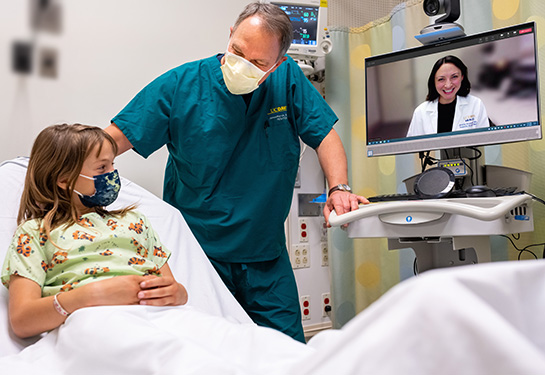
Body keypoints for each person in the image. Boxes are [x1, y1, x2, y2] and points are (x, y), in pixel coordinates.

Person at [105, 1, 367, 342]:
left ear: (277, 65)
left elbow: (326, 136)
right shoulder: (182, 85)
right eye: (237, 51)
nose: (243, 65)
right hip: (198, 256)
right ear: (230, 35)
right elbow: (109, 142)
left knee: (287, 352)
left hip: (265, 258)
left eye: (258, 63)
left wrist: (339, 188)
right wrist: (64, 165)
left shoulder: (286, 81)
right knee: (206, 351)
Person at [1, 124, 188, 339]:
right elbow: (23, 320)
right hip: (94, 324)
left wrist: (179, 294)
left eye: (112, 165)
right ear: (64, 179)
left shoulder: (135, 222)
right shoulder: (35, 233)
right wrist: (88, 296)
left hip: (158, 320)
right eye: (101, 168)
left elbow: (169, 286)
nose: (113, 175)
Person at [406, 55, 490, 137]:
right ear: (434, 82)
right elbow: (412, 147)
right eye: (441, 79)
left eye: (454, 77)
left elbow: (486, 140)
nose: (448, 85)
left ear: (462, 77)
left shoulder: (476, 105)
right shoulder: (421, 112)